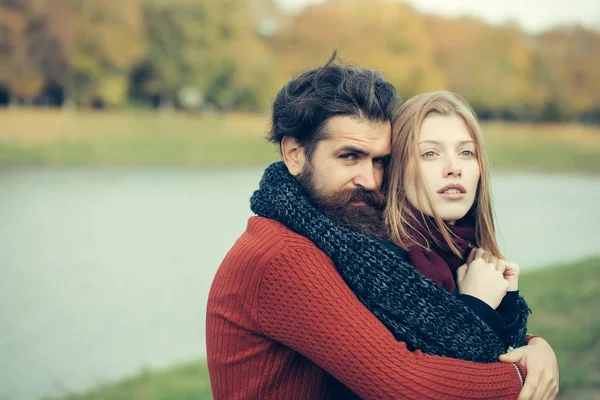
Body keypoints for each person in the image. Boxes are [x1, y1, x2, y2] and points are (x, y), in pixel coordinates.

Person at [206, 54, 559, 399]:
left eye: (380, 161)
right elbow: (404, 383)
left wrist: (533, 346)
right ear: (295, 154)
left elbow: (408, 329)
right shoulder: (283, 256)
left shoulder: (343, 237)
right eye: (349, 156)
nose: (370, 179)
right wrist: (525, 374)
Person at [384, 91, 527, 351]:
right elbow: (428, 382)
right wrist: (477, 303)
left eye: (466, 153)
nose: (454, 167)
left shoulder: (470, 259)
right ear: (396, 169)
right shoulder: (380, 263)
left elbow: (501, 365)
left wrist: (506, 304)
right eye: (429, 153)